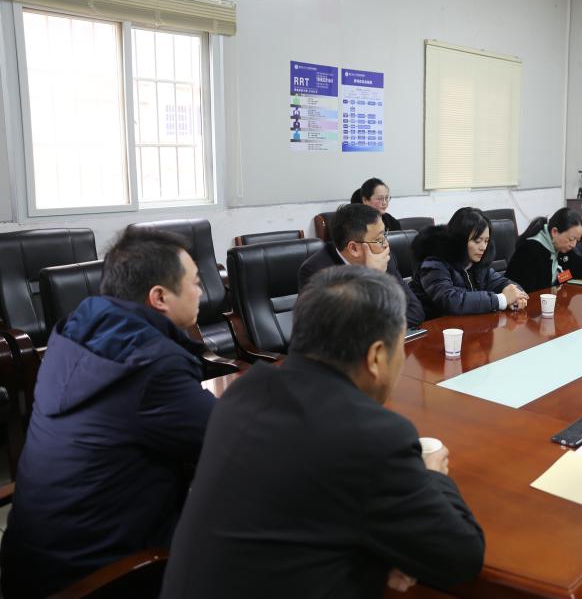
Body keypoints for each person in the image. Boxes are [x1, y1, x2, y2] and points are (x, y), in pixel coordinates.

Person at [159, 266, 485, 598]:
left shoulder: (244, 393)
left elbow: (297, 516)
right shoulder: (370, 436)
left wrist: (372, 560)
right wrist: (432, 476)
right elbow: (461, 557)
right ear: (376, 356)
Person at [1, 228, 216, 598]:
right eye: (195, 282)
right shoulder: (151, 365)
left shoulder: (74, 332)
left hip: (31, 565)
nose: (202, 291)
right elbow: (228, 440)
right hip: (102, 578)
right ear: (159, 297)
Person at [298, 203, 424, 328]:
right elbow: (340, 330)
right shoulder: (315, 272)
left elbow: (415, 311)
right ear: (353, 248)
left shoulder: (384, 258)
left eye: (384, 235)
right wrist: (372, 278)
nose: (386, 244)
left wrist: (382, 331)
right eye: (379, 239)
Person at [410, 207, 528, 320]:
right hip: (433, 327)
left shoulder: (477, 263)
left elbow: (500, 282)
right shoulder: (434, 263)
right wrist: (501, 300)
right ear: (459, 240)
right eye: (477, 241)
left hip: (468, 325)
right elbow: (449, 300)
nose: (483, 247)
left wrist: (516, 296)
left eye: (486, 241)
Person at [504, 207, 582, 294]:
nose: (574, 245)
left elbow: (580, 266)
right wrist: (561, 280)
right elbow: (531, 291)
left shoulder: (559, 248)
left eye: (577, 240)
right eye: (571, 239)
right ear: (555, 232)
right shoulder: (531, 250)